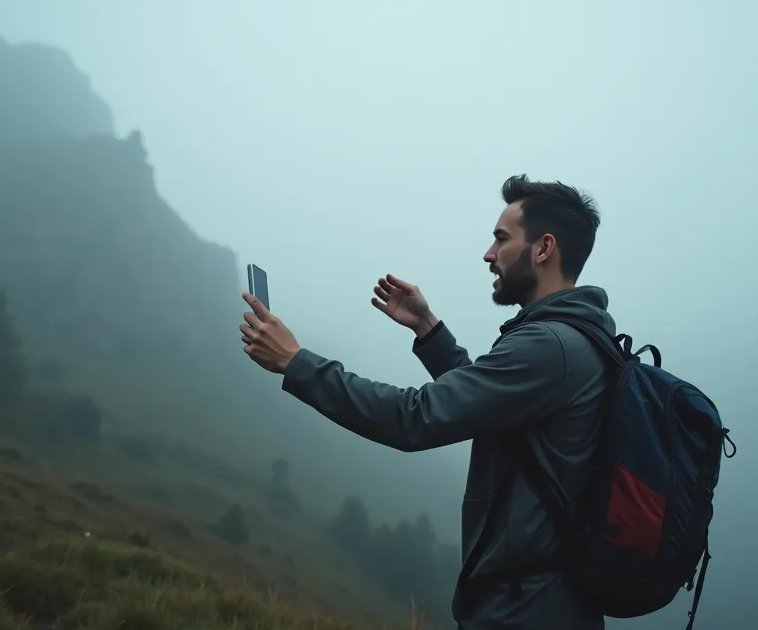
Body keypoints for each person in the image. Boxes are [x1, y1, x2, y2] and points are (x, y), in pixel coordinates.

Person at [238, 174, 614, 630]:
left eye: (501, 239)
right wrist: (429, 330)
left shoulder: (549, 346)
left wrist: (295, 362)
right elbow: (484, 404)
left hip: (526, 612)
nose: (489, 255)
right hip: (539, 605)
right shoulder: (572, 340)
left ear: (543, 248)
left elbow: (414, 419)